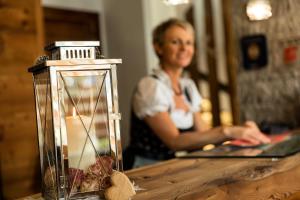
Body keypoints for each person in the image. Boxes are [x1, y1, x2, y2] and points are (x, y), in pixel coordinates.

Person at [124, 18, 270, 169]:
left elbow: (204, 134)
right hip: (144, 170)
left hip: (172, 168)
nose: (184, 48)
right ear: (158, 47)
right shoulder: (150, 86)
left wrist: (241, 132)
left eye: (189, 43)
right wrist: (227, 131)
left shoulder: (187, 86)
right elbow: (174, 141)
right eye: (175, 42)